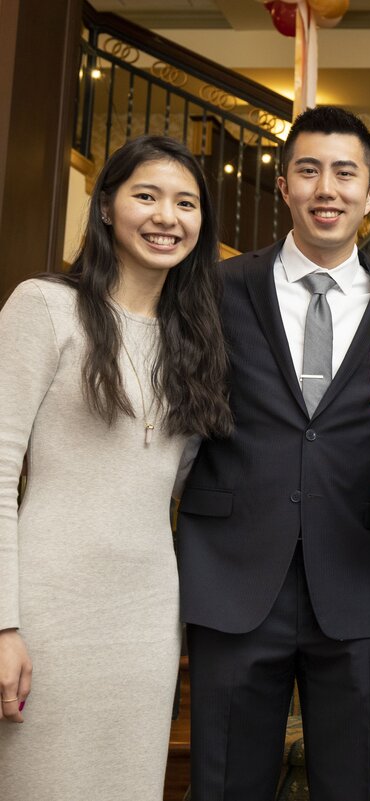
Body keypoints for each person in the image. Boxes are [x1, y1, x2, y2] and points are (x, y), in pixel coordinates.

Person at [176, 106, 370, 801]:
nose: (326, 188)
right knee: (224, 783)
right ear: (285, 187)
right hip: (233, 576)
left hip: (357, 577)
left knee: (358, 785)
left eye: (346, 173)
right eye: (309, 170)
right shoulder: (214, 290)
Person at [0, 135, 232, 800]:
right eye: (147, 196)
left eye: (186, 203)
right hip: (45, 604)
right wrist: (3, 623)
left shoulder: (196, 339)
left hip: (147, 612)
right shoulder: (44, 306)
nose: (168, 216)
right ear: (106, 207)